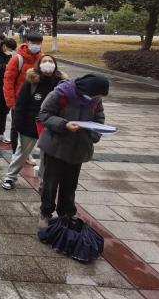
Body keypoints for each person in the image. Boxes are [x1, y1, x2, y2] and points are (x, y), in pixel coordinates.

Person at [37, 74, 109, 228]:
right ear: (86, 89)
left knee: (70, 184)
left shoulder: (95, 100)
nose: (95, 98)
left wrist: (93, 135)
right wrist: (64, 124)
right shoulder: (60, 94)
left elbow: (99, 119)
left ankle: (67, 214)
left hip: (79, 148)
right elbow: (44, 115)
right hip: (55, 146)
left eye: (98, 96)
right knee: (50, 183)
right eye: (94, 94)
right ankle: (46, 211)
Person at [2, 55, 67, 190]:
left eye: (50, 61)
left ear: (55, 64)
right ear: (39, 65)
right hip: (30, 124)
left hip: (50, 125)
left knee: (46, 156)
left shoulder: (62, 83)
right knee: (22, 152)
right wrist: (17, 125)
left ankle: (44, 182)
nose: (48, 64)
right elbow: (21, 105)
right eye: (44, 61)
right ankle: (10, 177)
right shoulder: (31, 82)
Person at [4, 32, 44, 155]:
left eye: (38, 43)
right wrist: (11, 101)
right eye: (33, 43)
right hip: (19, 100)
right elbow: (8, 80)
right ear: (27, 42)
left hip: (36, 101)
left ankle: (26, 153)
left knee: (32, 127)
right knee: (17, 126)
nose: (35, 45)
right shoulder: (18, 59)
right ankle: (16, 153)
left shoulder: (42, 59)